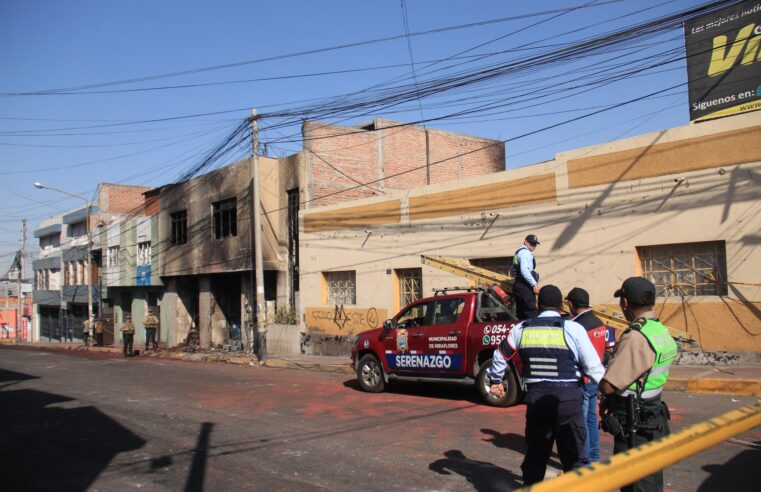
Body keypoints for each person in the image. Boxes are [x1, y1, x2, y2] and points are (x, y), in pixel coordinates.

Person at [487, 285, 605, 486]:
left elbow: (500, 355)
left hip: (537, 400)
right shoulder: (573, 328)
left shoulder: (521, 328)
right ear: (561, 306)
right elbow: (594, 367)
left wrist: (496, 380)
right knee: (574, 457)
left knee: (536, 456)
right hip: (568, 400)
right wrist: (607, 393)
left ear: (538, 305)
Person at [599, 277, 677, 492]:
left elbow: (609, 385)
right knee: (650, 481)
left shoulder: (636, 336)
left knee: (636, 484)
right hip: (652, 415)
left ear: (625, 303)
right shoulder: (659, 329)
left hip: (635, 424)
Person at [566, 287, 607, 463]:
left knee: (581, 423)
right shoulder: (598, 321)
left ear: (571, 304)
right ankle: (594, 456)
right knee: (591, 420)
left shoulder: (577, 326)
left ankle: (585, 460)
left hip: (583, 378)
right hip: (596, 377)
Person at [511, 234, 541, 319]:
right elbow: (525, 271)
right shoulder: (525, 253)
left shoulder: (518, 252)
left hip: (518, 285)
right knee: (531, 311)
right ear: (525, 242)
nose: (533, 246)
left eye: (535, 244)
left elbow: (513, 269)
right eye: (531, 243)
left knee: (521, 312)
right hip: (524, 286)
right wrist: (534, 284)